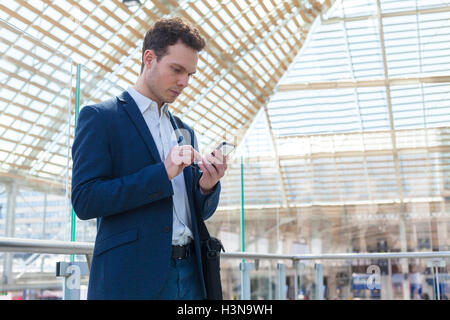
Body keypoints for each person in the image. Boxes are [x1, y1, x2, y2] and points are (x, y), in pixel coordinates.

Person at [71, 17, 227, 300]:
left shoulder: (184, 129)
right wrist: (162, 173)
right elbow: (85, 199)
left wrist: (207, 186)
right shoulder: (101, 118)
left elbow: (194, 212)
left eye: (190, 74)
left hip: (192, 275)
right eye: (177, 70)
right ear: (149, 58)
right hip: (134, 278)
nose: (184, 82)